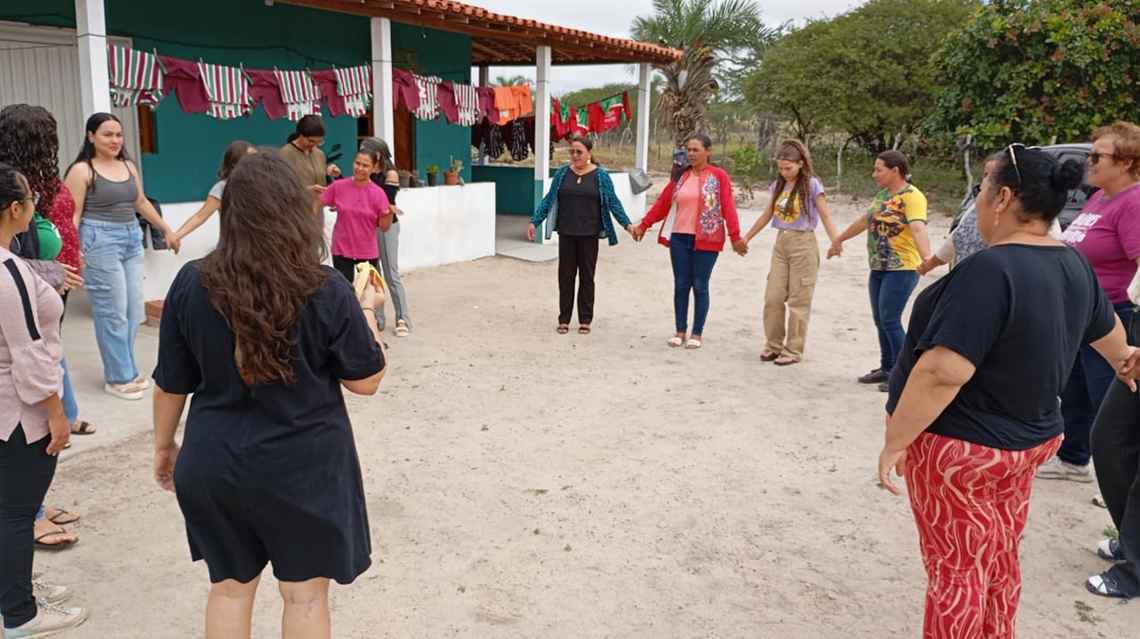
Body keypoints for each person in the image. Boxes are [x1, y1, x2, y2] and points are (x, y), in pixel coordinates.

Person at [877, 147, 1136, 638]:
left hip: (963, 449)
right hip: (1025, 444)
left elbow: (943, 371)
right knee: (996, 554)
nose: (978, 200)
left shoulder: (989, 271)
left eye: (983, 189)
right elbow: (1111, 338)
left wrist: (897, 439)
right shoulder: (1072, 263)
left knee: (956, 568)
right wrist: (1127, 361)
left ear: (1004, 198)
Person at [152, 153, 386, 638]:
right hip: (303, 467)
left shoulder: (191, 282)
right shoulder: (325, 287)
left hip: (214, 462)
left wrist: (164, 446)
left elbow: (171, 381)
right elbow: (365, 380)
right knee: (304, 597)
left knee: (229, 590)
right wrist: (368, 310)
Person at [0, 163, 89, 637]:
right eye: (32, 200)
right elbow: (29, 354)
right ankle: (19, 614)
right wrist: (57, 414)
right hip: (17, 412)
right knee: (16, 512)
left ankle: (12, 594)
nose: (36, 208)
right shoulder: (8, 272)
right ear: (15, 208)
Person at [1039, 121, 1140, 482]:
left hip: (1114, 316)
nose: (1089, 162)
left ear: (1126, 162)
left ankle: (1125, 483)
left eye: (1098, 156)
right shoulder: (1100, 197)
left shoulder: (1134, 203)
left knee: (1111, 403)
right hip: (1083, 313)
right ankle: (1073, 460)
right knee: (1075, 391)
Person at [63, 112, 181, 401]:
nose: (115, 140)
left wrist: (166, 229)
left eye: (118, 134)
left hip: (131, 237)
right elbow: (72, 214)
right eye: (107, 134)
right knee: (111, 311)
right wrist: (71, 249)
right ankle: (118, 377)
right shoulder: (82, 170)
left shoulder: (128, 166)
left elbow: (140, 201)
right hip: (99, 240)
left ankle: (125, 368)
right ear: (91, 136)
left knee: (133, 310)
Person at [829, 150, 932, 391]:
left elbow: (918, 228)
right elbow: (864, 221)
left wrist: (927, 258)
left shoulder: (913, 197)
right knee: (880, 319)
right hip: (878, 266)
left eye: (879, 169)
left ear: (895, 170)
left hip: (902, 267)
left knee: (890, 319)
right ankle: (887, 367)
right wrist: (839, 239)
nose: (874, 174)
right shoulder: (884, 194)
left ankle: (904, 373)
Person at [637, 134, 745, 349]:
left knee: (700, 285)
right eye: (689, 150)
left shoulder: (719, 176)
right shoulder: (681, 176)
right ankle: (680, 330)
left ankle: (697, 332)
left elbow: (728, 206)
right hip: (679, 237)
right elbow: (662, 203)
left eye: (696, 150)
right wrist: (644, 225)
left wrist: (735, 236)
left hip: (707, 237)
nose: (691, 154)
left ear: (708, 151)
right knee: (681, 284)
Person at [740, 140, 839, 365]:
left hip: (803, 242)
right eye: (781, 168)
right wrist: (747, 237)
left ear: (801, 164)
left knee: (799, 299)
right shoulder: (779, 185)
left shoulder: (812, 185)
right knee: (773, 297)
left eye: (788, 168)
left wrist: (836, 241)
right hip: (781, 242)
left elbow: (825, 215)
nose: (784, 172)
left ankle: (793, 349)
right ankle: (773, 344)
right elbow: (767, 214)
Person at [528, 134, 637, 334]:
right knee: (565, 277)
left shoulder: (601, 176)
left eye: (579, 152)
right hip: (566, 233)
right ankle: (564, 319)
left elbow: (613, 202)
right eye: (572, 152)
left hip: (589, 235)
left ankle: (585, 319)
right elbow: (549, 199)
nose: (575, 155)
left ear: (589, 153)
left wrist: (627, 225)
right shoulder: (562, 174)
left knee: (587, 277)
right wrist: (535, 221)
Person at [359, 137, 412, 337]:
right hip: (368, 225)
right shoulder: (367, 172)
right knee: (374, 274)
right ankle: (378, 317)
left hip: (386, 227)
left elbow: (386, 203)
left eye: (365, 150)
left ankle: (402, 318)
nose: (362, 154)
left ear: (378, 154)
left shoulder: (390, 173)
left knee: (391, 273)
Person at [320, 149, 390, 284]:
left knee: (367, 291)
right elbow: (316, 203)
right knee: (344, 290)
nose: (360, 168)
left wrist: (389, 214)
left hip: (367, 251)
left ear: (373, 168)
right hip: (341, 249)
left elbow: (384, 227)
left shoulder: (379, 193)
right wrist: (312, 227)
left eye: (365, 165)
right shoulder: (338, 186)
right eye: (357, 163)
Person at [173, 141, 257, 242]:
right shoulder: (222, 188)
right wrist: (176, 236)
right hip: (233, 247)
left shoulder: (261, 185)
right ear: (235, 163)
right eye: (250, 158)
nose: (256, 162)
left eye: (256, 158)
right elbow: (200, 216)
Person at [280, 114, 339, 212]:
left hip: (319, 211)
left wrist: (332, 173)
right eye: (311, 141)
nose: (314, 145)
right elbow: (281, 189)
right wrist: (307, 190)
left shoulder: (319, 154)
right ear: (300, 135)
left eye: (319, 142)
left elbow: (323, 183)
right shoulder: (285, 154)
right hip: (296, 212)